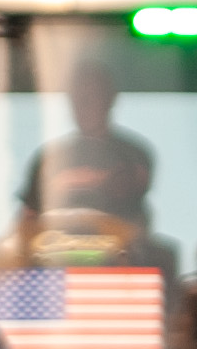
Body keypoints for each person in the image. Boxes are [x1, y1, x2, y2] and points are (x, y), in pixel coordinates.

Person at [18, 59, 155, 227]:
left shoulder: (134, 156)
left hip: (125, 251)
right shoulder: (48, 160)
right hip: (54, 251)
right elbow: (28, 216)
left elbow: (127, 192)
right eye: (78, 98)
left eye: (92, 96)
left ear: (110, 99)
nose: (84, 105)